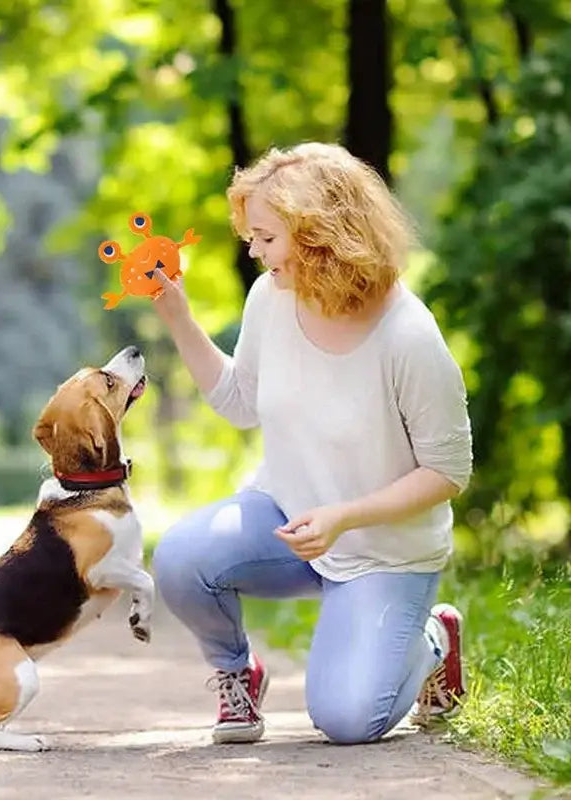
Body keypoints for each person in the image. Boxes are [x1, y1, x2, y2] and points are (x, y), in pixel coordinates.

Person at [150, 141, 473, 746]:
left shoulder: (408, 335)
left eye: (266, 237)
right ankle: (236, 674)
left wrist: (345, 516)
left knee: (349, 721)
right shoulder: (271, 299)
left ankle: (432, 638)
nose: (252, 250)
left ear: (320, 234)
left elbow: (449, 471)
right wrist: (177, 317)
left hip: (383, 550)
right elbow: (240, 403)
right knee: (181, 559)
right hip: (288, 517)